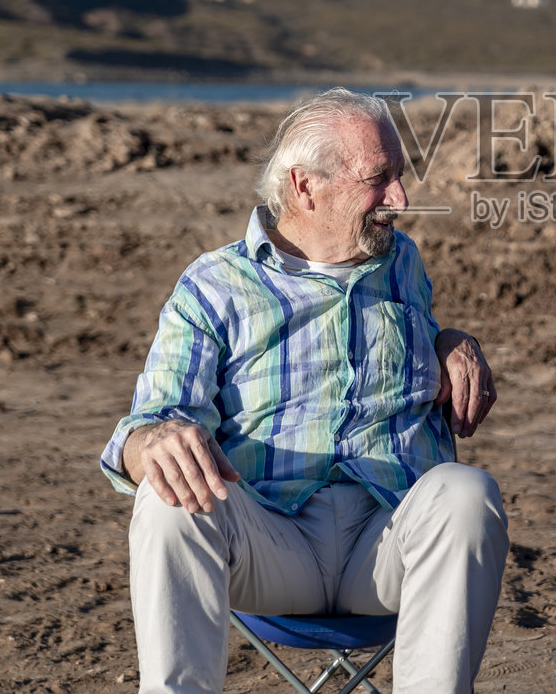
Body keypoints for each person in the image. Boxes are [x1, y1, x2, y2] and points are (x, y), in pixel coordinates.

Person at [100, 88, 509, 694]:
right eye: (379, 179)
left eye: (399, 176)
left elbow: (414, 338)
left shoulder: (402, 264)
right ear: (305, 186)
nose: (400, 198)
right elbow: (150, 423)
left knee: (467, 491)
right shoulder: (215, 285)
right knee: (169, 495)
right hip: (271, 543)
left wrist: (449, 337)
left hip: (390, 538)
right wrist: (151, 441)